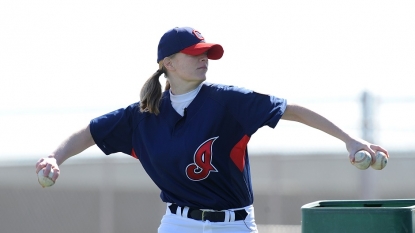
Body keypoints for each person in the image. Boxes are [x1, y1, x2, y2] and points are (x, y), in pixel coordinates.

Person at [35, 26, 389, 233]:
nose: (203, 57)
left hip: (233, 225)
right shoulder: (142, 115)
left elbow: (291, 109)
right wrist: (56, 156)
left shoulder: (228, 101)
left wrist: (350, 139)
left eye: (206, 52)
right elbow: (91, 132)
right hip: (178, 225)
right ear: (168, 63)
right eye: (194, 53)